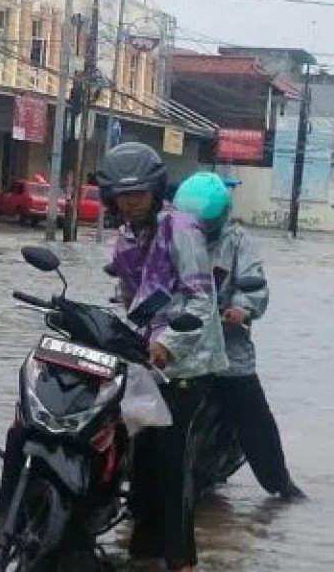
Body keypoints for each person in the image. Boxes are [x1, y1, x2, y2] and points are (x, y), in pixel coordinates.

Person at [103, 143, 226, 572]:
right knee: (141, 457)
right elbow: (126, 297)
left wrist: (167, 342)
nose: (130, 201)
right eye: (122, 194)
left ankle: (182, 561)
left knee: (171, 461)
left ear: (154, 191)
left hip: (188, 360)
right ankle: (144, 549)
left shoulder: (182, 229)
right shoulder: (124, 238)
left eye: (137, 193)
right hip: (145, 360)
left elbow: (199, 299)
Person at [173, 172, 305, 502]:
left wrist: (241, 309)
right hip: (179, 344)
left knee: (254, 418)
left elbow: (255, 284)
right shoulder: (169, 236)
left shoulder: (238, 241)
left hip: (227, 349)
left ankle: (280, 483)